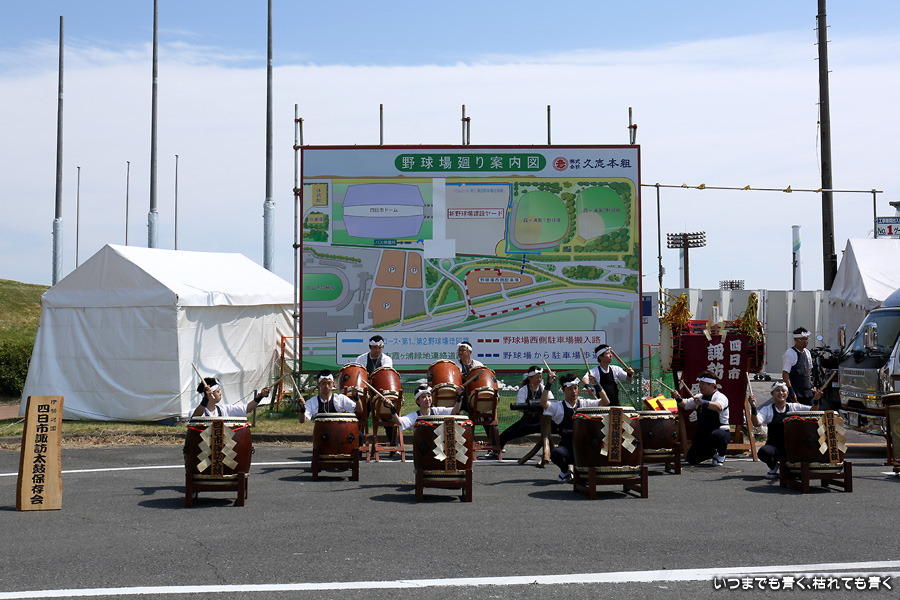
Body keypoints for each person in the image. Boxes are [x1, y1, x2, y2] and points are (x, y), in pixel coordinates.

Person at [541, 372, 606, 482]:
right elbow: (543, 403)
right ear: (563, 390)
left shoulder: (584, 403)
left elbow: (605, 401)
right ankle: (565, 471)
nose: (573, 391)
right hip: (567, 447)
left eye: (575, 388)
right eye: (570, 389)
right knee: (556, 453)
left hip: (584, 446)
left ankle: (586, 473)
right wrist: (549, 383)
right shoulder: (558, 406)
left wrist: (596, 384)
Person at [483, 365, 555, 460]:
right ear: (530, 378)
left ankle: (562, 451)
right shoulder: (524, 390)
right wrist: (531, 407)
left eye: (540, 377)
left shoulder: (544, 389)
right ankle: (495, 451)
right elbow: (521, 408)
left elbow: (552, 403)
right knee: (504, 436)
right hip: (527, 423)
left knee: (564, 430)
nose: (539, 379)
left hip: (543, 422)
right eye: (537, 377)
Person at [749, 381, 818, 478]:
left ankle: (788, 468)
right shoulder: (767, 409)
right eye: (777, 391)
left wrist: (816, 400)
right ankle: (774, 467)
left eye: (783, 391)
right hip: (774, 445)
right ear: (772, 394)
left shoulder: (793, 407)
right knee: (763, 452)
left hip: (791, 446)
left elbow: (813, 410)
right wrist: (753, 407)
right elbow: (756, 423)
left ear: (787, 394)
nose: (781, 393)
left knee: (793, 475)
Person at [676, 371, 731, 466]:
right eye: (700, 383)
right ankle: (712, 453)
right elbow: (685, 404)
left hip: (720, 430)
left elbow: (718, 407)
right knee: (691, 459)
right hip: (705, 433)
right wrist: (678, 398)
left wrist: (703, 403)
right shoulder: (699, 397)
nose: (700, 386)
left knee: (717, 435)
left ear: (712, 385)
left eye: (703, 384)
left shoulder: (720, 397)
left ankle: (721, 454)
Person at [382, 384, 462, 431]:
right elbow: (399, 422)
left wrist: (459, 396)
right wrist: (392, 408)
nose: (427, 399)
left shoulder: (437, 411)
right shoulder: (415, 416)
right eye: (423, 397)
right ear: (418, 401)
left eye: (429, 396)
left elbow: (455, 411)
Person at [298, 369, 363, 423]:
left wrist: (356, 397)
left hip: (338, 432)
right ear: (319, 384)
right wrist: (302, 409)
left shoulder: (340, 399)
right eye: (323, 383)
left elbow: (359, 409)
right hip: (320, 433)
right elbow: (302, 421)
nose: (326, 386)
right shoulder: (312, 402)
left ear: (333, 384)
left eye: (329, 383)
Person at [190, 376, 270, 419]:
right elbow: (195, 418)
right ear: (210, 394)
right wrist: (205, 400)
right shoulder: (194, 412)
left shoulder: (224, 409)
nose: (220, 393)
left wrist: (260, 396)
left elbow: (247, 409)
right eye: (218, 391)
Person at [781, 328, 822, 404]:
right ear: (795, 340)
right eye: (803, 340)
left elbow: (808, 372)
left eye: (807, 339)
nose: (806, 342)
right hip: (796, 393)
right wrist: (791, 391)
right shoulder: (790, 354)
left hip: (807, 393)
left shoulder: (807, 352)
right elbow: (785, 375)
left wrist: (810, 385)